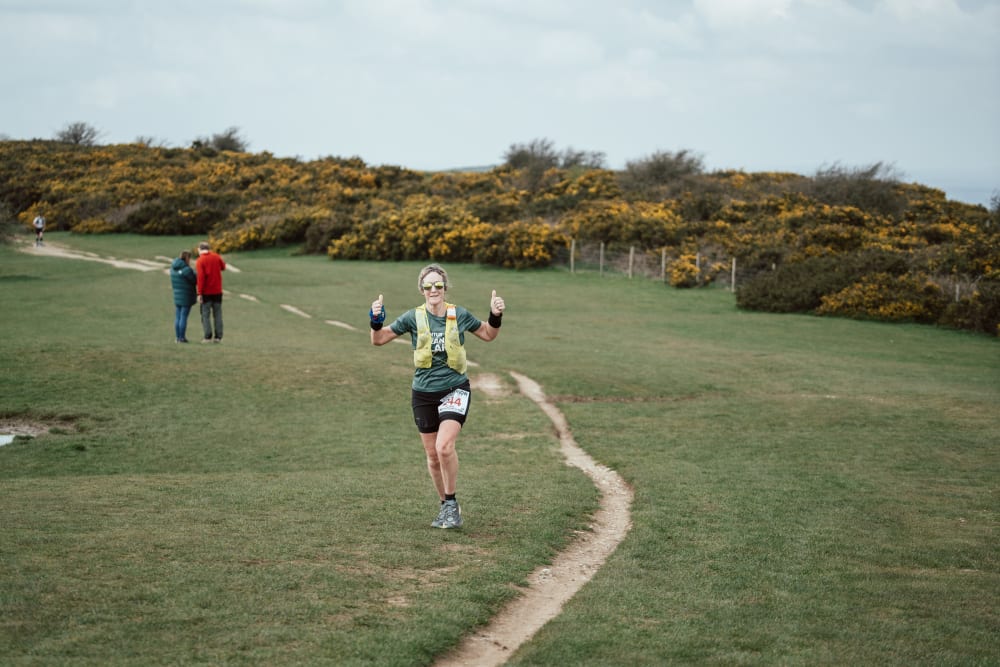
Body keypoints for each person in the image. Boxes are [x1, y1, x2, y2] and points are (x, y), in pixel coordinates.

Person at [369, 263, 506, 529]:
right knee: (432, 456)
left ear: (445, 288)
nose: (434, 290)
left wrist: (495, 314)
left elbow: (488, 334)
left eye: (438, 285)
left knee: (444, 447)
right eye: (428, 286)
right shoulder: (412, 317)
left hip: (455, 388)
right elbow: (379, 339)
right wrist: (376, 321)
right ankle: (446, 506)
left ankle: (451, 503)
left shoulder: (458, 314)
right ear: (422, 290)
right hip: (423, 393)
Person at [195, 241, 226, 343]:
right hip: (217, 290)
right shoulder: (216, 256)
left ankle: (207, 336)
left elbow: (201, 278)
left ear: (200, 249)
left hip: (206, 292)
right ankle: (218, 337)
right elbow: (223, 267)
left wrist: (199, 293)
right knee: (218, 314)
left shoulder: (200, 260)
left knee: (205, 314)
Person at [170, 250, 197, 343]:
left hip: (177, 295)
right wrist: (195, 272)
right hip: (186, 296)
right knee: (183, 316)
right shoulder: (187, 270)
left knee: (178, 316)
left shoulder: (173, 268)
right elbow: (194, 280)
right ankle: (182, 337)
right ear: (187, 258)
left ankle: (177, 337)